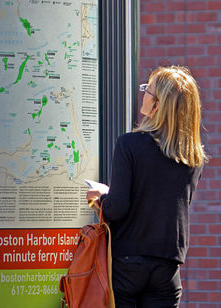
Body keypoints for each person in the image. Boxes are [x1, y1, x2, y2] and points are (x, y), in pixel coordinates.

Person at [86, 65, 208, 308]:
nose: (144, 93)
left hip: (126, 264)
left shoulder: (130, 144)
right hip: (168, 266)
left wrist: (101, 197)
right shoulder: (192, 157)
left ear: (158, 104)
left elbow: (117, 208)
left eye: (148, 90)